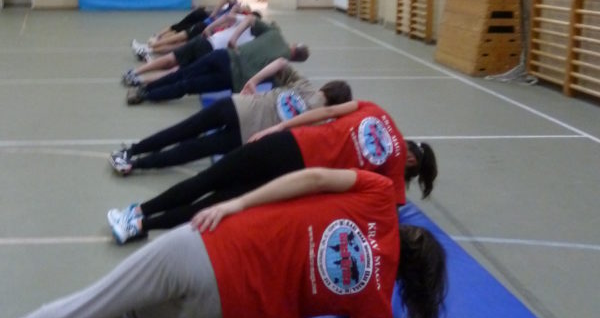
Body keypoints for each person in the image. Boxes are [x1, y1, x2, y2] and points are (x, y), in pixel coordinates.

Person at [0, 168, 447, 318]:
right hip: (222, 306)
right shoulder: (375, 301)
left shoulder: (380, 194)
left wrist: (237, 203)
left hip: (209, 248)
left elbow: (316, 178)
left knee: (93, 302)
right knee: (127, 315)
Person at [107, 99, 437, 243]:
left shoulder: (378, 111)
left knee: (207, 179)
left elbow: (327, 111)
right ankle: (141, 225)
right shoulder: (393, 167)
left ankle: (136, 211)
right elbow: (391, 212)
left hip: (287, 144)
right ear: (412, 163)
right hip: (295, 180)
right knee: (216, 203)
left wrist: (277, 127)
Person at [110, 76, 353, 174]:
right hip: (246, 135)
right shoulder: (321, 123)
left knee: (182, 130)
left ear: (326, 87)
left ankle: (131, 150)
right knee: (194, 149)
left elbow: (279, 62)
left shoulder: (304, 84)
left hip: (237, 106)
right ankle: (136, 164)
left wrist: (253, 80)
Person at [125, 20, 310, 105]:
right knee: (187, 86)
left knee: (182, 72)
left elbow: (250, 20)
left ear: (294, 45)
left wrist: (235, 38)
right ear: (295, 59)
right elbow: (275, 89)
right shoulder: (282, 66)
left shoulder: (274, 34)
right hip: (230, 78)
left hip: (224, 55)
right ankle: (145, 96)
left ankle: (143, 89)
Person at [122, 9, 259, 87]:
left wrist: (209, 28)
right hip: (210, 51)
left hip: (205, 41)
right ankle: (138, 79)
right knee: (177, 69)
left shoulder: (245, 23)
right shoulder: (254, 36)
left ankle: (134, 72)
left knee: (171, 58)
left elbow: (228, 17)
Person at [131, 0, 238, 59]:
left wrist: (214, 15)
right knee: (178, 42)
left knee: (178, 40)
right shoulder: (238, 11)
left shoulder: (240, 15)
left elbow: (228, 8)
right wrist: (215, 13)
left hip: (205, 27)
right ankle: (148, 49)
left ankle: (147, 48)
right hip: (207, 27)